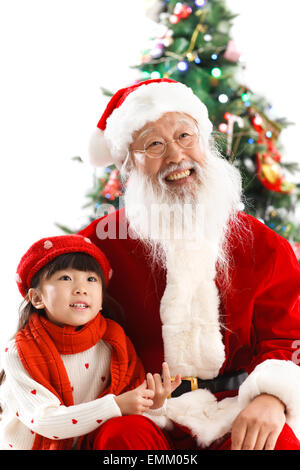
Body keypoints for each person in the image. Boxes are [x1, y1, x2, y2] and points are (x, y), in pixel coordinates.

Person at [78, 78, 300, 450]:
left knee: (276, 443)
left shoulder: (262, 244)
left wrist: (272, 397)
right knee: (119, 441)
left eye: (185, 136)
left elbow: (289, 335)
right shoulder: (99, 244)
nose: (176, 157)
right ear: (129, 165)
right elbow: (48, 300)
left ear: (204, 142)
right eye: (154, 144)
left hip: (235, 408)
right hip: (142, 412)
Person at [0, 234, 181, 450]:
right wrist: (115, 405)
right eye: (66, 278)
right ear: (37, 298)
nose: (81, 288)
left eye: (91, 279)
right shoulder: (19, 352)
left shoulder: (114, 342)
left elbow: (131, 404)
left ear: (101, 299)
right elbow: (44, 420)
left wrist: (154, 404)